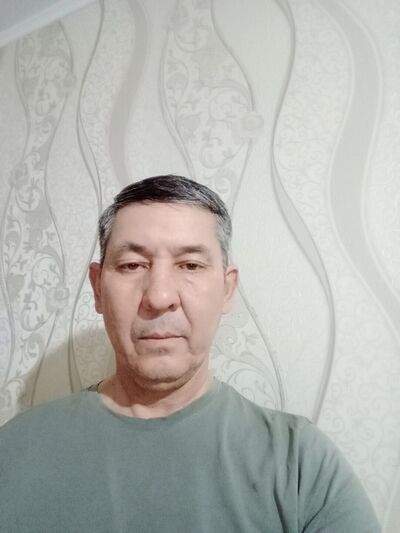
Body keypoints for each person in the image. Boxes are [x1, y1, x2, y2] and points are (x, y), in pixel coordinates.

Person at [0, 175, 380, 532]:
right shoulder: (15, 450)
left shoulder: (301, 465)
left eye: (191, 265)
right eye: (132, 265)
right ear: (98, 288)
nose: (159, 296)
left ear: (227, 289)